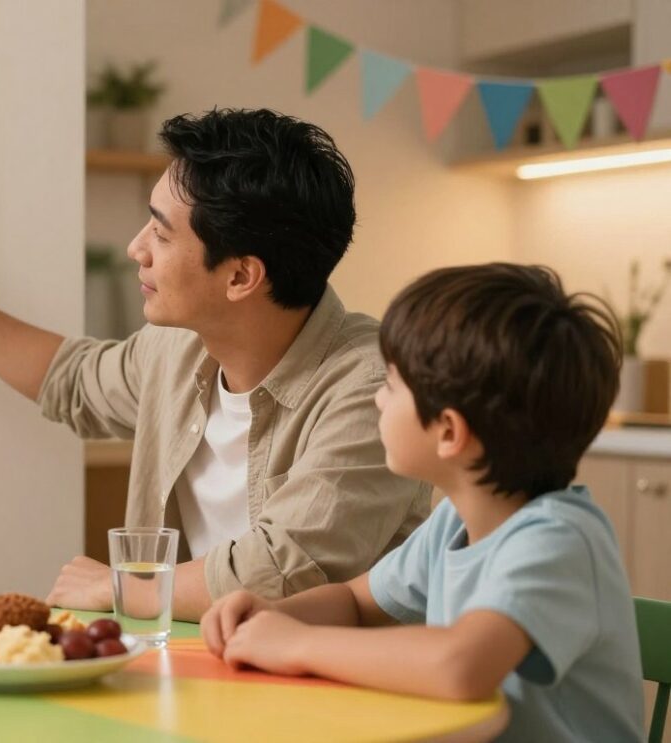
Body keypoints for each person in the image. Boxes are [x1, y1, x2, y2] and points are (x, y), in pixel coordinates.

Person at [0, 108, 429, 620]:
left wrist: (123, 587)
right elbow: (69, 379)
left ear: (241, 276)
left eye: (162, 234)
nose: (135, 248)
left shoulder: (376, 385)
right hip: (200, 676)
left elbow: (282, 569)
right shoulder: (179, 348)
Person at [201, 263, 644, 741]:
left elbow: (460, 665)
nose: (377, 401)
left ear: (450, 432)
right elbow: (354, 601)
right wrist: (271, 614)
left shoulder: (558, 542)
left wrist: (299, 644)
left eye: (391, 385)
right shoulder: (456, 519)